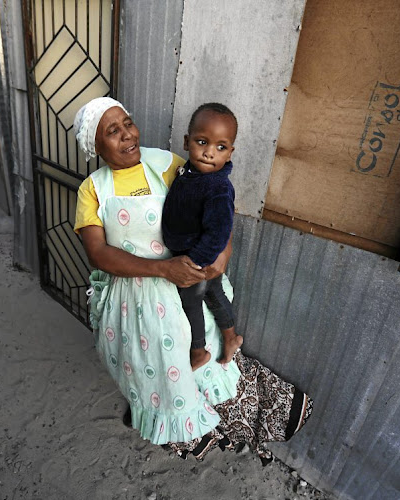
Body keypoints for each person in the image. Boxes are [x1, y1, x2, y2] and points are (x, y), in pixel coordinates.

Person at [73, 97, 312, 461]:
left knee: (203, 353)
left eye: (128, 123)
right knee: (150, 362)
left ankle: (226, 422)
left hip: (187, 279)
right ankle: (174, 425)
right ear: (96, 146)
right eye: (113, 131)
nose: (127, 134)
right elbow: (99, 254)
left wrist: (224, 250)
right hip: (135, 292)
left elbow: (215, 199)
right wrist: (161, 269)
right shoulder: (93, 189)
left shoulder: (167, 163)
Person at [162, 103, 244, 371]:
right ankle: (231, 338)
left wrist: (195, 263)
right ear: (187, 142)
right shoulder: (189, 171)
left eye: (221, 147)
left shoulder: (218, 188)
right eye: (202, 142)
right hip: (192, 253)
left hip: (197, 259)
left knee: (191, 299)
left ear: (230, 152)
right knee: (215, 293)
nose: (209, 153)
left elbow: (219, 231)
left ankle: (198, 351)